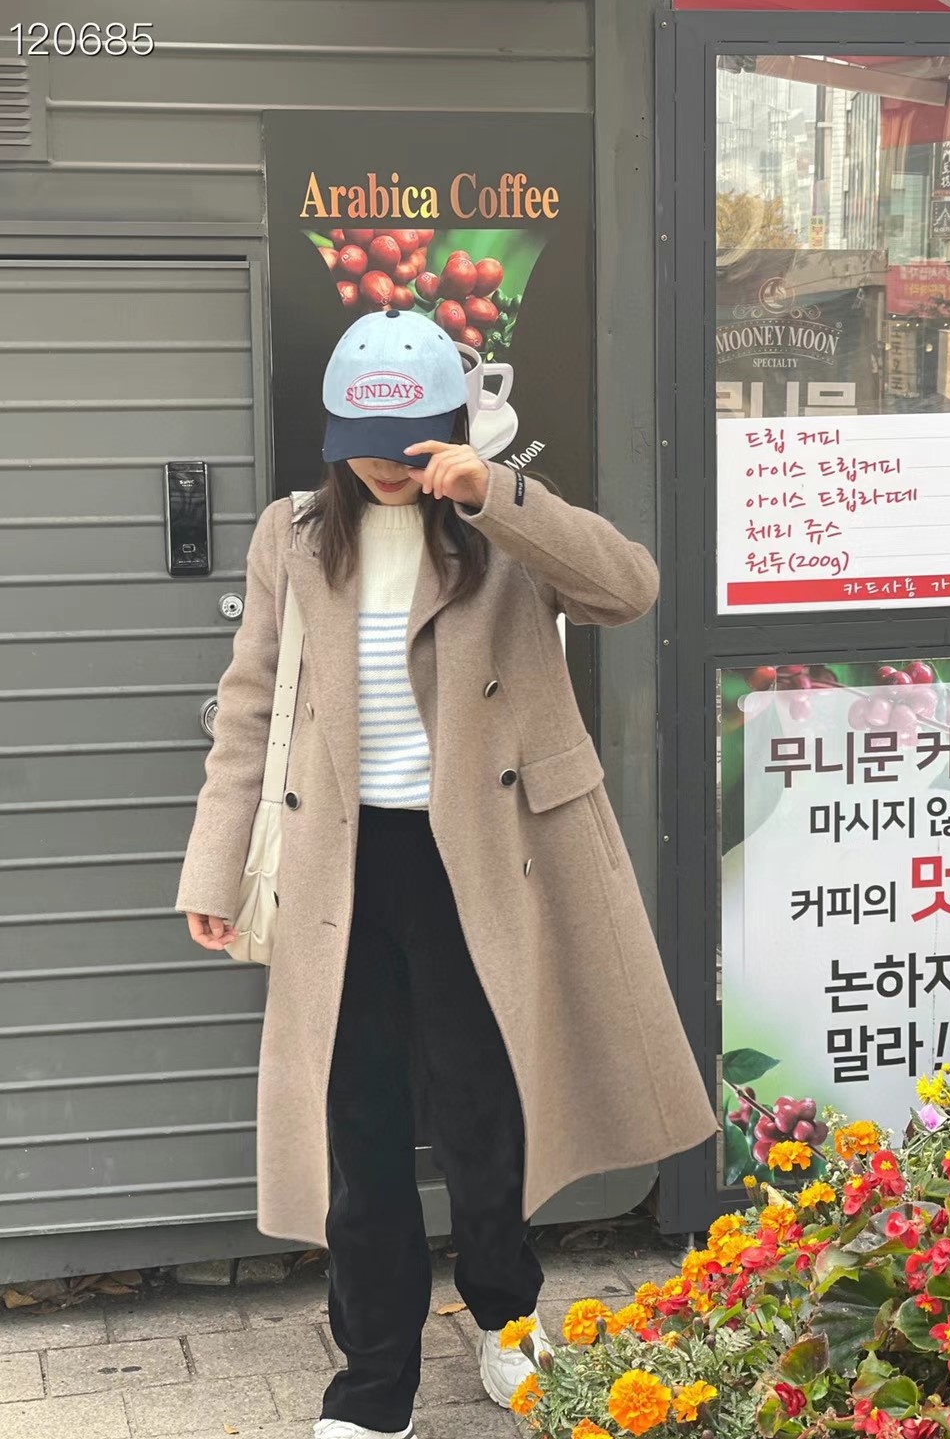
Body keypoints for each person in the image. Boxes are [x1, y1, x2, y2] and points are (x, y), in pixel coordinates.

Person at [176, 307, 720, 1439]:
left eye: (408, 441)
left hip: (489, 858)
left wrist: (496, 494)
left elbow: (629, 590)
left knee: (487, 1110)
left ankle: (508, 1324)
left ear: (451, 428)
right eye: (364, 444)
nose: (386, 465)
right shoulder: (291, 535)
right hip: (342, 866)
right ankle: (374, 1381)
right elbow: (247, 704)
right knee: (360, 1127)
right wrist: (214, 866)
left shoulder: (500, 525)